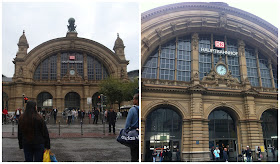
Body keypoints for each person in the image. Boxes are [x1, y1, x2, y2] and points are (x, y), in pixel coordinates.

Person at [124, 93, 139, 162]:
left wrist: (126, 132)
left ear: (136, 100)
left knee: (134, 155)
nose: (133, 100)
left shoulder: (132, 110)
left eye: (134, 99)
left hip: (134, 134)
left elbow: (127, 123)